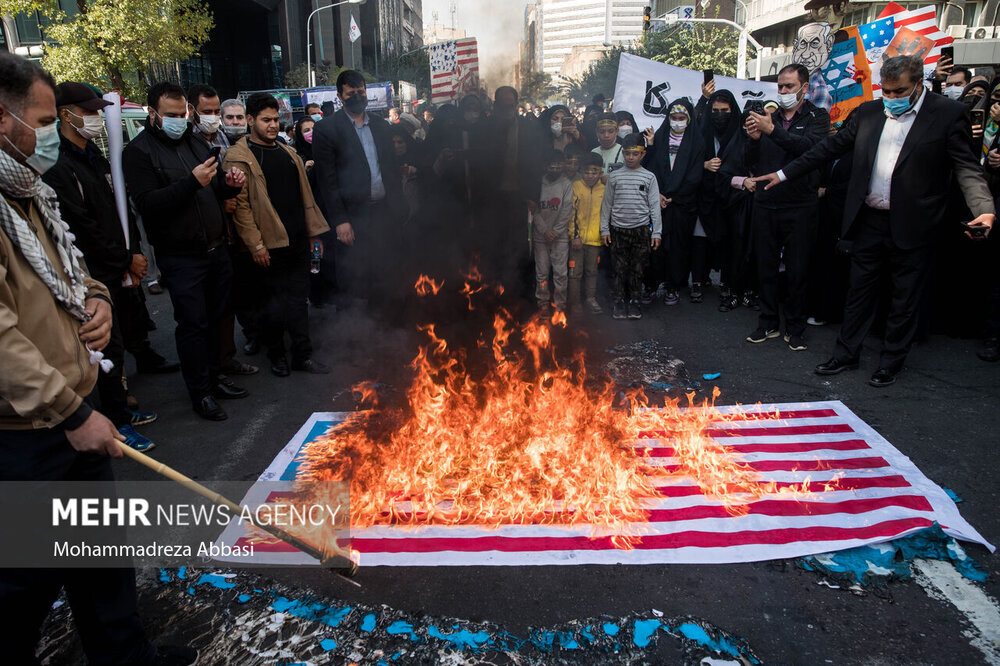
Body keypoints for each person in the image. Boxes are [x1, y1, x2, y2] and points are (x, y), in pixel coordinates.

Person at [0, 51, 196, 666]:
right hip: (27, 431)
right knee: (25, 580)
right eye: (42, 117)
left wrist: (97, 297)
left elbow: (70, 268)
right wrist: (70, 412)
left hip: (71, 404)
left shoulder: (27, 191)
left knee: (101, 557)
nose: (53, 129)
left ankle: (125, 656)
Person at [755, 55, 995, 387]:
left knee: (904, 296)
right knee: (859, 291)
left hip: (914, 224)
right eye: (887, 91)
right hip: (869, 219)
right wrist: (783, 174)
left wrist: (984, 208)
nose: (892, 99)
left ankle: (891, 361)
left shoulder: (947, 115)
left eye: (900, 92)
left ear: (918, 85)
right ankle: (845, 354)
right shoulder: (868, 113)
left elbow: (967, 168)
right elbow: (825, 149)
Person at [44, 81, 169, 451]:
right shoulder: (59, 166)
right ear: (65, 115)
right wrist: (123, 258)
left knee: (120, 341)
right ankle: (113, 421)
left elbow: (119, 213)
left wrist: (133, 253)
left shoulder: (94, 157)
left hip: (117, 268)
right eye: (89, 112)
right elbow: (83, 227)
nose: (98, 118)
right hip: (92, 272)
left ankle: (121, 410)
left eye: (100, 111)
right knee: (103, 350)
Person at [123, 81, 248, 421]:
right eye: (172, 115)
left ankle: (215, 377)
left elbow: (214, 186)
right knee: (193, 324)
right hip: (181, 256)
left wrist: (229, 183)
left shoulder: (195, 141)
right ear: (153, 113)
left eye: (184, 114)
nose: (180, 120)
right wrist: (192, 182)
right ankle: (201, 393)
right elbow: (148, 204)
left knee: (217, 318)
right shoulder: (138, 151)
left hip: (215, 247)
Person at [223, 92, 331, 377]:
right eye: (265, 120)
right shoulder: (239, 157)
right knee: (271, 305)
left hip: (296, 241)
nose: (272, 125)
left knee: (298, 302)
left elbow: (305, 198)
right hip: (266, 246)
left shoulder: (288, 153)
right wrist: (255, 245)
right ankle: (277, 356)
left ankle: (302, 356)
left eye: (276, 119)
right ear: (250, 120)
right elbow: (241, 209)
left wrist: (312, 233)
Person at [743, 63, 830, 350]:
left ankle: (795, 327)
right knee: (765, 267)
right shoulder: (769, 117)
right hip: (767, 203)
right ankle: (767, 323)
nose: (783, 91)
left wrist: (772, 131)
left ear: (804, 88)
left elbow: (811, 150)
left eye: (789, 86)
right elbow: (750, 161)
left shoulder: (818, 117)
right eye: (780, 86)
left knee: (798, 269)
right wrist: (755, 140)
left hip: (800, 205)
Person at [312, 69, 405, 307]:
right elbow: (327, 181)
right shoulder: (327, 129)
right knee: (354, 274)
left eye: (361, 92)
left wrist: (399, 206)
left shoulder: (381, 126)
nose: (357, 96)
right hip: (352, 215)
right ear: (340, 96)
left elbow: (391, 170)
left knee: (385, 269)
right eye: (351, 93)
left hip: (384, 211)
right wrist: (341, 221)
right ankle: (355, 330)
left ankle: (385, 323)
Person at [643, 98, 705, 307]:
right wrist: (658, 194)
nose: (677, 122)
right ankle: (651, 285)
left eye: (681, 118)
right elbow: (650, 167)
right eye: (673, 118)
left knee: (678, 247)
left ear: (688, 120)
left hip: (682, 205)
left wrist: (675, 197)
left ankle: (673, 286)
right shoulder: (659, 138)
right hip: (658, 203)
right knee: (655, 245)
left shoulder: (697, 142)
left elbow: (695, 175)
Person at [600, 133, 662, 320]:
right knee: (618, 268)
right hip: (618, 230)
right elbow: (607, 205)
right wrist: (604, 229)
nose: (630, 157)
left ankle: (635, 300)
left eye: (635, 154)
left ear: (643, 154)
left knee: (637, 267)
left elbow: (654, 206)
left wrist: (656, 232)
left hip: (641, 230)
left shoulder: (649, 177)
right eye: (627, 153)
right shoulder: (615, 177)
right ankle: (619, 301)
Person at [533, 150, 574, 317]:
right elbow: (533, 209)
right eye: (552, 166)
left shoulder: (566, 184)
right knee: (542, 272)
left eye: (559, 166)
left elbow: (566, 211)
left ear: (563, 166)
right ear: (546, 166)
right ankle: (542, 303)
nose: (555, 169)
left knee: (560, 273)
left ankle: (559, 305)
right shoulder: (538, 183)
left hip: (560, 237)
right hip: (540, 237)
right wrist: (544, 230)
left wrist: (555, 232)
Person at [569, 152, 606, 314]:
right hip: (578, 239)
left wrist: (604, 234)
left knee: (592, 272)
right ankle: (575, 303)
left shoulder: (604, 189)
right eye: (586, 172)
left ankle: (590, 299)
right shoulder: (576, 186)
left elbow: (607, 214)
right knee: (575, 273)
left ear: (600, 172)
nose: (590, 176)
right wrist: (574, 236)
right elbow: (571, 213)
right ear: (581, 171)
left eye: (594, 172)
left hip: (596, 240)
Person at [187, 84, 228, 152]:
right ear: (191, 109)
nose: (213, 116)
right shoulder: (185, 137)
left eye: (217, 111)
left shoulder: (221, 135)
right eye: (207, 112)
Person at [592, 113, 624, 179]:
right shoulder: (594, 152)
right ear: (597, 132)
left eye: (611, 131)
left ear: (617, 131)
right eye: (602, 131)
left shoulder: (624, 152)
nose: (606, 135)